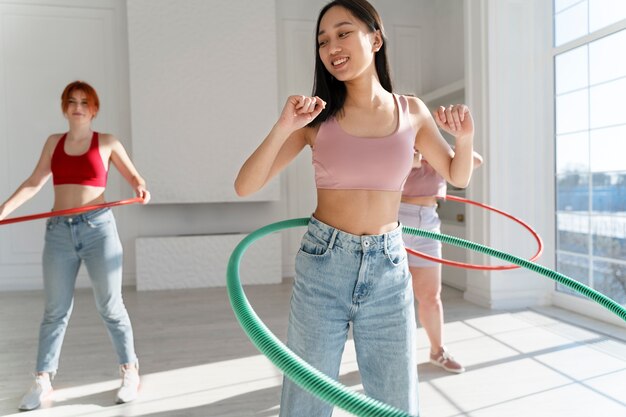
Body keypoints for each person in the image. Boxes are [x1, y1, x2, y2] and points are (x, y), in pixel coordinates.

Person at [234, 0, 474, 415]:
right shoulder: (315, 118)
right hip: (324, 264)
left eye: (343, 33)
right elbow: (245, 185)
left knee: (396, 402)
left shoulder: (411, 111)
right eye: (323, 40)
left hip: (389, 266)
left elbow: (458, 174)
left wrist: (466, 138)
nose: (331, 46)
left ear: (375, 39)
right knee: (306, 401)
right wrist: (283, 127)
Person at [0, 81, 150, 411]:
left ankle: (130, 371)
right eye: (72, 101)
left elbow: (136, 179)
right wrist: (2, 210)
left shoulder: (108, 142)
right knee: (54, 311)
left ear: (94, 109)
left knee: (111, 306)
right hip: (59, 233)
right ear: (64, 108)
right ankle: (42, 380)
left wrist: (140, 188)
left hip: (99, 230)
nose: (78, 106)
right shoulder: (54, 143)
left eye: (85, 102)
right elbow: (34, 181)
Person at [400, 150, 483, 374]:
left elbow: (476, 160)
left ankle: (438, 351)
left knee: (431, 296)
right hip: (395, 219)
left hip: (429, 223)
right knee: (391, 296)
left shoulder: (439, 154)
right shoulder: (401, 146)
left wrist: (437, 154)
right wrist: (412, 157)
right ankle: (391, 356)